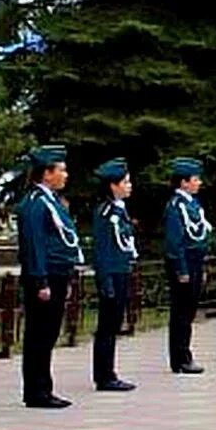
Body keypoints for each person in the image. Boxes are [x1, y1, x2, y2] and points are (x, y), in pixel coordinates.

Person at [15, 145, 80, 409]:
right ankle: (37, 390)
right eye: (61, 170)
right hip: (44, 275)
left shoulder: (51, 201)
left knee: (48, 332)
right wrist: (40, 280)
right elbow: (34, 244)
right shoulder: (35, 203)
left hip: (56, 273)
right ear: (46, 173)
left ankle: (42, 386)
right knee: (40, 334)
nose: (65, 175)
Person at [90, 158, 138, 392]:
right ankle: (104, 375)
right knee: (107, 327)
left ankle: (108, 371)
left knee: (113, 325)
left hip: (121, 271)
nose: (130, 186)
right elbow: (102, 249)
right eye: (125, 182)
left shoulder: (120, 209)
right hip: (112, 274)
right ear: (113, 185)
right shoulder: (106, 212)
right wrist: (105, 280)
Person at [163, 158, 210, 373]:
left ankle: (184, 353)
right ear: (183, 182)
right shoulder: (175, 206)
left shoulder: (193, 204)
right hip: (184, 262)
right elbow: (175, 241)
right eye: (195, 179)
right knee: (181, 312)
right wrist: (181, 269)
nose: (199, 183)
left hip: (195, 261)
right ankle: (180, 357)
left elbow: (200, 235)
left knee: (189, 311)